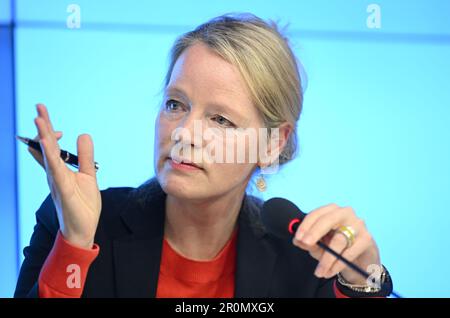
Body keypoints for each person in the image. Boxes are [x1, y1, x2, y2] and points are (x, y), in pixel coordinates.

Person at [14, 13, 392, 298]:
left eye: (221, 119)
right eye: (175, 104)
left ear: (273, 143)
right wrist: (76, 244)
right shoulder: (73, 222)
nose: (184, 133)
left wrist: (365, 279)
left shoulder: (311, 259)